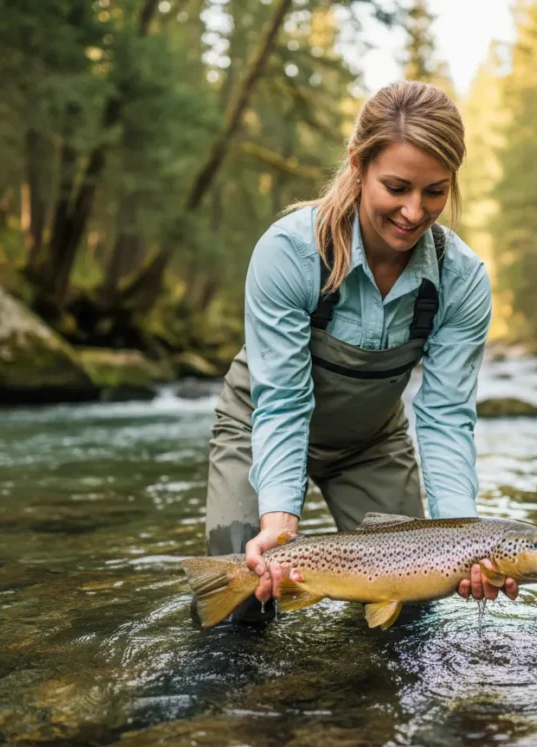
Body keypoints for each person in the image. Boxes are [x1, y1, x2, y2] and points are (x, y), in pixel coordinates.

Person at [202, 80, 518, 624]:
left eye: (435, 192)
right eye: (396, 187)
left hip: (371, 442)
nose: (415, 212)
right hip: (261, 425)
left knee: (415, 614)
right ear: (357, 164)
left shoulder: (461, 279)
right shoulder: (290, 253)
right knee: (244, 605)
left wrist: (468, 543)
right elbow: (281, 401)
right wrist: (279, 520)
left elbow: (444, 416)